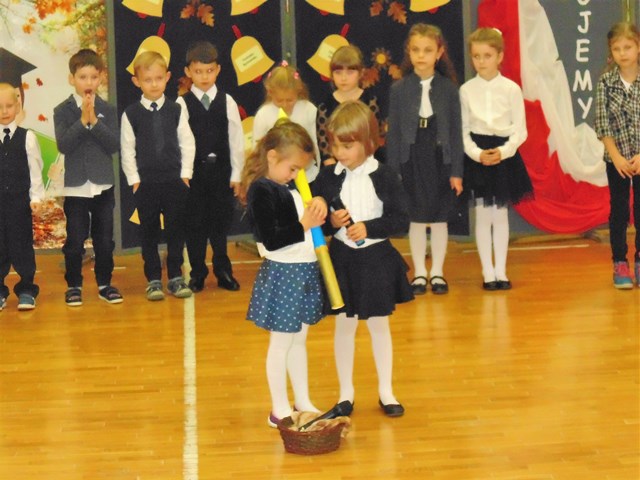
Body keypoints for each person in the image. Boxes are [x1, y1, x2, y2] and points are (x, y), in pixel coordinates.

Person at [313, 100, 413, 418]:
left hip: (376, 259)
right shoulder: (328, 178)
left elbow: (400, 220)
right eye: (335, 146)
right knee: (344, 326)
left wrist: (369, 228)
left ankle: (386, 391)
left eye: (347, 146)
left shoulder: (385, 176)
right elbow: (317, 222)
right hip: (343, 259)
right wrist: (331, 222)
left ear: (368, 142)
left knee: (379, 326)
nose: (340, 153)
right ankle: (346, 394)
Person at [242, 120, 327, 427]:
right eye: (292, 169)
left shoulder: (288, 186)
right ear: (272, 157)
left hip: (303, 270)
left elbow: (308, 220)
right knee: (281, 343)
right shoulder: (261, 190)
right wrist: (304, 224)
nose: (296, 175)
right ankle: (279, 408)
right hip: (284, 274)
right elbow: (271, 239)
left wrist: (318, 205)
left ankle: (302, 399)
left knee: (298, 341)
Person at [387, 23, 463, 296]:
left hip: (441, 158)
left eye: (428, 50)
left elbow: (455, 133)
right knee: (416, 218)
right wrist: (393, 172)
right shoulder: (399, 89)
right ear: (409, 52)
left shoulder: (449, 89)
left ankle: (438, 272)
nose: (421, 56)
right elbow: (394, 134)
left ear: (439, 53)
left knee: (440, 218)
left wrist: (457, 171)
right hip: (411, 158)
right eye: (416, 50)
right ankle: (420, 272)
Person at [460, 28, 533, 291]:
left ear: (499, 56)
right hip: (478, 156)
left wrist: (503, 152)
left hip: (504, 154)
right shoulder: (466, 90)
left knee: (500, 215)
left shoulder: (511, 89)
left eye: (487, 56)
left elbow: (520, 130)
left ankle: (501, 270)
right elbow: (463, 131)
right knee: (482, 215)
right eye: (476, 56)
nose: (481, 61)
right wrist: (477, 154)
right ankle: (487, 272)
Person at [121, 51, 196, 301]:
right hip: (146, 184)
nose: (154, 84)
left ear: (167, 77)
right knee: (149, 232)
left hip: (174, 181)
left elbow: (187, 142)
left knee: (176, 230)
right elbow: (127, 148)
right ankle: (153, 279)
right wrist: (134, 180)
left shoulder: (176, 109)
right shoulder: (131, 114)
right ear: (137, 82)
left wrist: (185, 174)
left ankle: (175, 276)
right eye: (147, 80)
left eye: (158, 78)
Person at [54, 49, 123, 306]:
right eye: (83, 77)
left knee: (104, 240)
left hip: (103, 185)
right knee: (75, 240)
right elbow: (64, 144)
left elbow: (113, 144)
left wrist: (95, 120)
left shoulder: (108, 109)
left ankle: (105, 283)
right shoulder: (62, 110)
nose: (89, 82)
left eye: (94, 77)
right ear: (72, 79)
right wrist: (83, 120)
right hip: (75, 188)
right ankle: (74, 285)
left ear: (101, 77)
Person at [176, 41, 244, 293]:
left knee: (219, 225)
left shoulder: (227, 101)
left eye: (209, 71)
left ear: (218, 70)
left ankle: (223, 271)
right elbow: (180, 142)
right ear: (188, 72)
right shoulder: (182, 103)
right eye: (198, 71)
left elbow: (236, 140)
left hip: (221, 173)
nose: (204, 77)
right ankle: (197, 273)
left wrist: (237, 174)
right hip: (194, 175)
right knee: (195, 225)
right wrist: (183, 174)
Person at [595, 22, 640, 289]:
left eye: (628, 47)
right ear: (610, 52)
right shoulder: (606, 82)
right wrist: (616, 157)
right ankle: (620, 262)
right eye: (617, 48)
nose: (623, 53)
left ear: (638, 47)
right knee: (620, 211)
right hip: (617, 160)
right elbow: (602, 125)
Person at [0, 82, 45, 311]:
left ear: (17, 107)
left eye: (9, 106)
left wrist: (36, 198)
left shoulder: (27, 138)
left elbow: (35, 170)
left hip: (19, 204)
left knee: (22, 246)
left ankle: (27, 289)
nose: (4, 111)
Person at [252, 62, 320, 182]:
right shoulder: (263, 115)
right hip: (276, 178)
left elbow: (316, 144)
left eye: (290, 100)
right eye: (279, 100)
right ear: (270, 93)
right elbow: (257, 150)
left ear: (298, 92)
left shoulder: (309, 110)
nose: (284, 105)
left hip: (308, 175)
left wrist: (320, 171)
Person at [316, 44, 382, 167]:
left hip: (366, 164)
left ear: (361, 73)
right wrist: (335, 169)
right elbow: (324, 146)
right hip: (336, 166)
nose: (343, 78)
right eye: (338, 72)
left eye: (350, 72)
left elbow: (373, 137)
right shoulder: (325, 106)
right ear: (331, 74)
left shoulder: (370, 101)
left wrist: (361, 166)